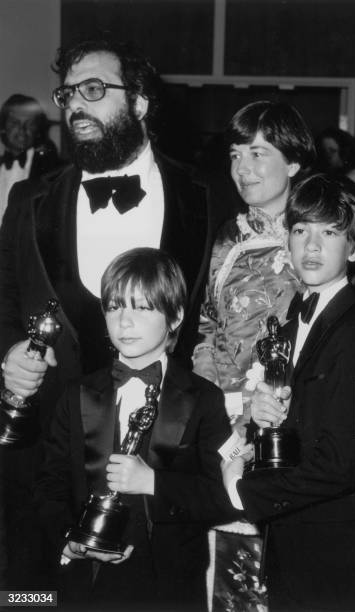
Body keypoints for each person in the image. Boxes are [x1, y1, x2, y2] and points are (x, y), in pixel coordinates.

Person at [0, 38, 214, 590]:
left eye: (94, 89)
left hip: (163, 465)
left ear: (139, 102)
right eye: (68, 93)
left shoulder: (205, 196)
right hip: (48, 459)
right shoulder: (28, 201)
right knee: (32, 595)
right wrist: (8, 356)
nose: (75, 104)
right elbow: (1, 301)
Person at [34, 248, 235, 610]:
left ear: (174, 316)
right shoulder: (76, 394)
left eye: (142, 307)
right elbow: (49, 484)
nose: (124, 321)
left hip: (169, 588)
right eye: (114, 307)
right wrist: (69, 539)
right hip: (86, 586)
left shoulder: (204, 399)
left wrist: (154, 482)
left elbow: (224, 499)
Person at [222, 173, 355, 611]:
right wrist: (261, 411)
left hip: (337, 554)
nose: (311, 246)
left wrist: (245, 493)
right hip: (292, 539)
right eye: (301, 230)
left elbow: (341, 464)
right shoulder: (293, 316)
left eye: (329, 232)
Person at [192, 100, 315, 611]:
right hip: (222, 418)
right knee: (226, 568)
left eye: (258, 153)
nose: (243, 168)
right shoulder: (225, 234)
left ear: (293, 162)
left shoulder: (316, 234)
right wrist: (206, 414)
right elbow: (207, 325)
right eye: (236, 153)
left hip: (285, 421)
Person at [0, 94, 62, 226]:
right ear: (3, 126)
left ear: (37, 129)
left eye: (30, 124)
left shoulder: (48, 167)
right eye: (14, 123)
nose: (22, 130)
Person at [315, 126, 355, 195]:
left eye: (332, 151)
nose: (328, 156)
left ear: (343, 152)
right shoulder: (322, 176)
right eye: (324, 151)